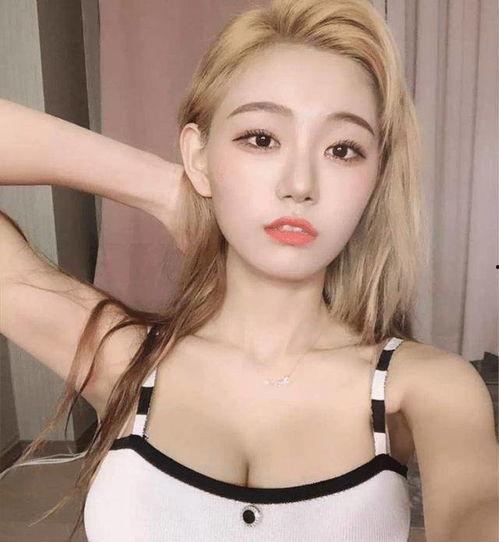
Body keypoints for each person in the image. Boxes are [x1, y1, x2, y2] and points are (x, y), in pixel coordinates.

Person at [0, 0, 497, 541]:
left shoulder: (427, 388)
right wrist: (169, 188)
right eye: (261, 139)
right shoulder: (122, 359)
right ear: (199, 155)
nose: (300, 184)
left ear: (374, 181)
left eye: (342, 149)